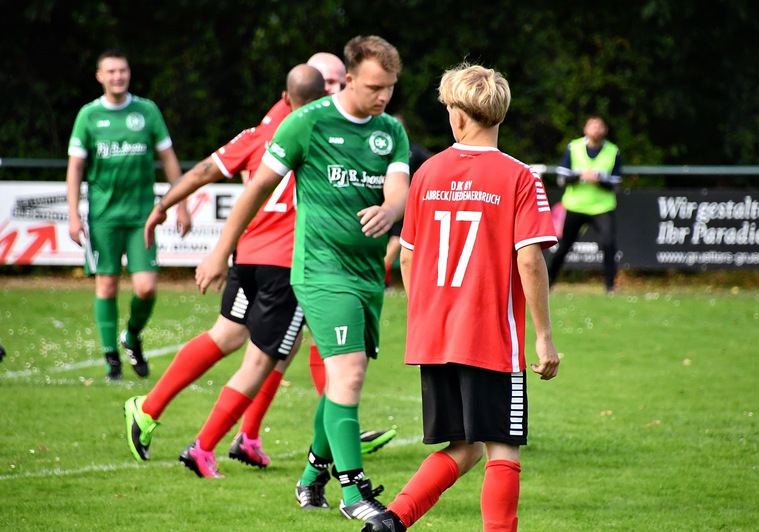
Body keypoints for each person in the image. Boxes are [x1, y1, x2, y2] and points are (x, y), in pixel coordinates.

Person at [123, 56, 395, 473]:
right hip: (290, 263)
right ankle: (211, 443)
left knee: (242, 338)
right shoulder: (316, 132)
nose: (334, 89)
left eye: (337, 81)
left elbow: (204, 171)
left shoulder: (262, 131)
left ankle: (164, 412)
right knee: (277, 355)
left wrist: (165, 206)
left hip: (250, 255)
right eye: (329, 82)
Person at [195, 35, 409, 522]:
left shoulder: (389, 131)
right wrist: (222, 250)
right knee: (348, 373)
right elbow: (256, 190)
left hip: (366, 275)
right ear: (349, 79)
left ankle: (312, 476)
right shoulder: (306, 123)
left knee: (341, 378)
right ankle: (354, 493)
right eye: (374, 87)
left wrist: (390, 209)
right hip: (319, 270)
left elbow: (400, 187)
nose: (383, 96)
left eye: (390, 88)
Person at [362, 63, 561, 532]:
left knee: (463, 447)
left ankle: (391, 520)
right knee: (503, 446)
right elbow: (530, 260)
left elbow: (407, 258)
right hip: (490, 335)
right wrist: (544, 337)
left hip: (436, 335)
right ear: (500, 115)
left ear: (457, 116)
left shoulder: (427, 173)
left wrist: (427, 317)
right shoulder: (519, 176)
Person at [66, 49, 191, 381]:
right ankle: (112, 360)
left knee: (146, 287)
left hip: (141, 218)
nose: (117, 76)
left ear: (129, 73)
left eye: (122, 70)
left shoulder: (147, 111)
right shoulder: (88, 116)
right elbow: (75, 167)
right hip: (103, 217)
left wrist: (181, 204)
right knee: (106, 286)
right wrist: (73, 215)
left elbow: (168, 158)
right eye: (111, 71)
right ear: (100, 77)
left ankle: (132, 336)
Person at [547, 114, 622, 293]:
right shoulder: (574, 147)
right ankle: (548, 282)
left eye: (599, 126)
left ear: (605, 130)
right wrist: (581, 175)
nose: (595, 129)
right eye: (592, 125)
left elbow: (616, 184)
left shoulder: (613, 151)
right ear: (585, 129)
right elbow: (561, 179)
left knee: (608, 243)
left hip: (601, 207)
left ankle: (610, 287)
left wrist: (599, 180)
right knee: (564, 245)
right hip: (575, 205)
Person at [383, 114, 432, 288]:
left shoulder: (414, 151)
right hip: (379, 201)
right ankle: (382, 276)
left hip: (402, 203)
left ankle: (380, 273)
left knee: (397, 240)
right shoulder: (380, 147)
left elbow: (431, 168)